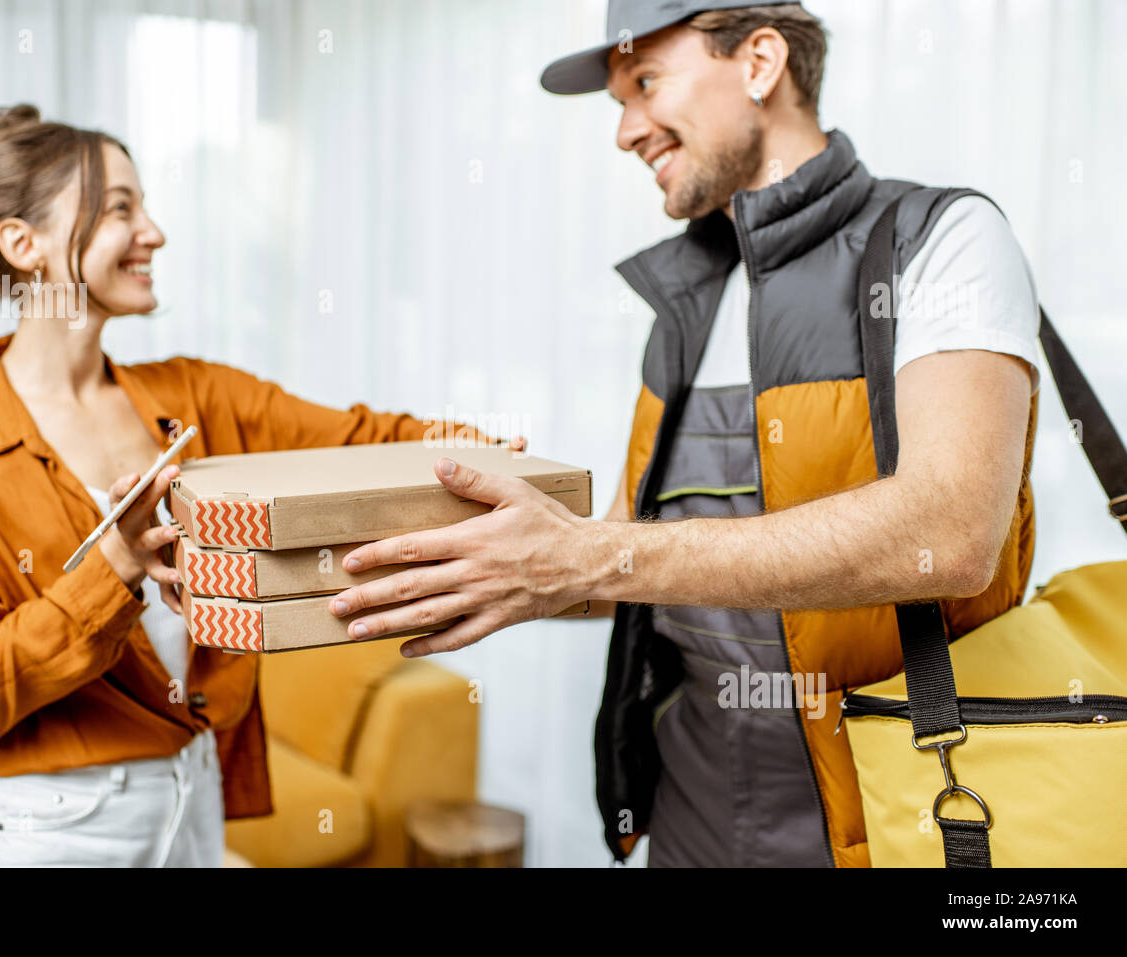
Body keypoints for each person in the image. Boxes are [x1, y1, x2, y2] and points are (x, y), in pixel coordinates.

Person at [327, 1, 1043, 868]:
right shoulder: (687, 302)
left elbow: (951, 533)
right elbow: (623, 559)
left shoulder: (945, 239)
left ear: (760, 62)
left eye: (646, 84)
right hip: (691, 812)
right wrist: (380, 563)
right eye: (617, 101)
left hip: (904, 818)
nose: (625, 130)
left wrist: (587, 557)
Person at [0, 104, 457, 867]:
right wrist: (115, 567)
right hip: (49, 828)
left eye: (144, 205)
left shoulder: (198, 398)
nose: (153, 231)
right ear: (24, 244)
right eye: (121, 208)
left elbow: (366, 438)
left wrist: (498, 459)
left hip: (194, 798)